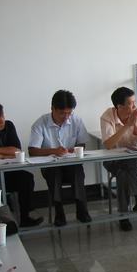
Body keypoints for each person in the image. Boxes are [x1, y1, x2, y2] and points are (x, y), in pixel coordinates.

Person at [28, 90, 92, 227]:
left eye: (69, 113)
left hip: (71, 163)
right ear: (52, 109)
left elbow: (82, 144)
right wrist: (54, 151)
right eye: (62, 113)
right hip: (50, 165)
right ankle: (59, 212)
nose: (66, 117)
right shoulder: (40, 123)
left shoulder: (76, 120)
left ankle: (82, 210)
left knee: (77, 171)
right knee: (54, 173)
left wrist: (73, 150)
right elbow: (32, 151)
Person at [100, 87, 137, 232]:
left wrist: (136, 125)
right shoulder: (107, 117)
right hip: (113, 159)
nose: (135, 106)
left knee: (125, 170)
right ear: (119, 106)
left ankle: (123, 215)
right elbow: (108, 145)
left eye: (135, 102)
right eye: (131, 103)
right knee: (124, 169)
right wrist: (127, 125)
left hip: (134, 157)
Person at [0, 101, 42, 227]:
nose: (2, 120)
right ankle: (1, 222)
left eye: (2, 115)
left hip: (8, 172)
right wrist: (3, 154)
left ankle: (25, 217)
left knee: (26, 178)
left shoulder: (8, 126)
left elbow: (16, 151)